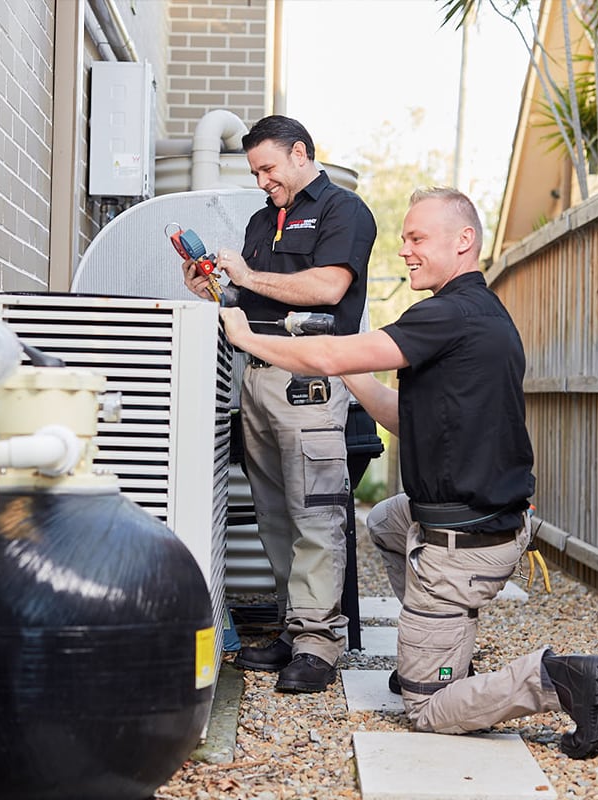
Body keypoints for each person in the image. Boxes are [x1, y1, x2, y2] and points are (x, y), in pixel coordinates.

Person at [217, 187, 598, 758]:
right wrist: (344, 360)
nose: (404, 250)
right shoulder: (478, 312)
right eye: (405, 237)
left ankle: (558, 678)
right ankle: (444, 645)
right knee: (383, 520)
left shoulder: (447, 314)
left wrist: (248, 337)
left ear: (464, 241)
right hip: (482, 519)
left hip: (465, 542)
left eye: (416, 238)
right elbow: (403, 418)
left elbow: (328, 361)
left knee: (424, 708)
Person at [182, 115, 377, 693]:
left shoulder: (345, 211)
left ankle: (319, 642)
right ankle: (295, 631)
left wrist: (248, 274)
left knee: (315, 512)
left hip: (309, 377)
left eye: (268, 168)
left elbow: (327, 288)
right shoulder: (260, 220)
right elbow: (246, 293)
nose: (262, 180)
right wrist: (214, 286)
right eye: (254, 171)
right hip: (257, 375)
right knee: (273, 515)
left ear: (300, 153)